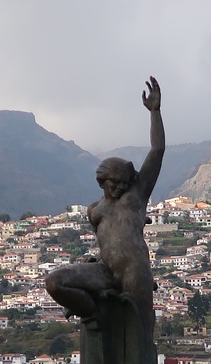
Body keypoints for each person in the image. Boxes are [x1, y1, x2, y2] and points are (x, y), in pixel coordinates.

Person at [44, 77, 163, 333]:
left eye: (124, 183)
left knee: (138, 334)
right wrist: (94, 260)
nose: (120, 188)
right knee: (55, 282)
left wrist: (155, 112)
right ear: (102, 182)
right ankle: (94, 315)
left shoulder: (136, 196)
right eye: (114, 183)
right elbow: (107, 242)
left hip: (135, 271)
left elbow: (157, 151)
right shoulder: (94, 210)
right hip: (104, 270)